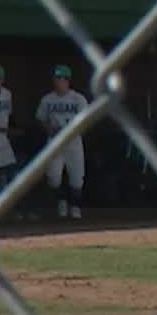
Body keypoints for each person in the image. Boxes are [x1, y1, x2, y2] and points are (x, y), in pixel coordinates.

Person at [35, 63, 90, 219]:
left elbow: (85, 119)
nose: (58, 81)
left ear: (68, 80)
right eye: (56, 78)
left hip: (73, 140)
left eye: (61, 78)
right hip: (54, 141)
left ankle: (75, 207)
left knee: (77, 177)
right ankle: (62, 202)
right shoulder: (47, 99)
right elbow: (40, 118)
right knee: (53, 177)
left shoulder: (78, 98)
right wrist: (48, 128)